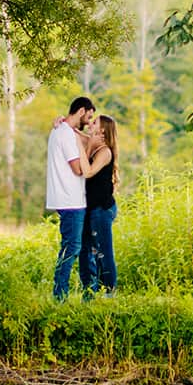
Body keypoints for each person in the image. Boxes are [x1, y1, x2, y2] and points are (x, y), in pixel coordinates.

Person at [45, 95, 99, 300]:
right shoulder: (66, 134)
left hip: (70, 199)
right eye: (89, 116)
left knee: (80, 247)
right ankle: (60, 295)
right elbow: (78, 169)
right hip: (70, 200)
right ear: (81, 111)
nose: (89, 120)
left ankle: (88, 294)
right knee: (72, 248)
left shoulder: (60, 130)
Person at [79, 113, 119, 294]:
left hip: (102, 209)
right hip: (91, 209)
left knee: (104, 253)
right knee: (89, 252)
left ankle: (110, 293)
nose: (90, 123)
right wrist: (60, 121)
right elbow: (71, 131)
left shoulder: (104, 152)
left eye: (94, 122)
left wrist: (86, 149)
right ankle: (91, 292)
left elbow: (86, 172)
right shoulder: (92, 143)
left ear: (102, 130)